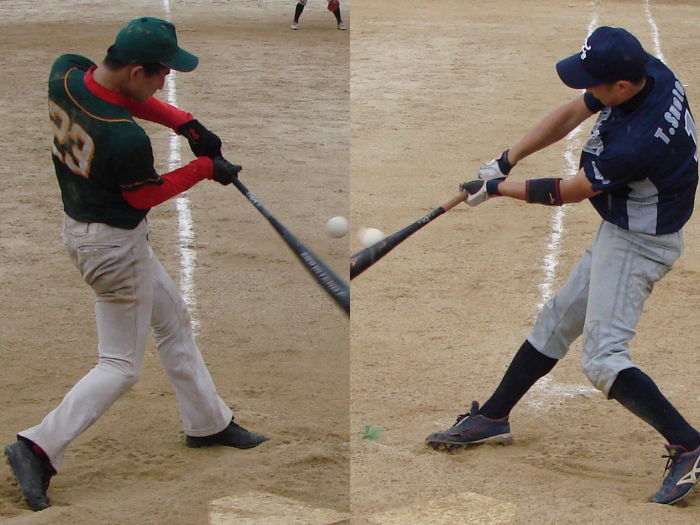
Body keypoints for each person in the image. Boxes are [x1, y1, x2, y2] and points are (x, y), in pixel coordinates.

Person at [425, 26, 699, 505]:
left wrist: (495, 189)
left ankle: (690, 445)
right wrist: (505, 160)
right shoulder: (648, 71)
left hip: (640, 241)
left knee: (603, 357)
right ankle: (493, 416)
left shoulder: (636, 143)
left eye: (594, 81)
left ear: (620, 86)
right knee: (557, 319)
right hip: (624, 228)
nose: (586, 87)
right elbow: (574, 111)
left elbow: (568, 191)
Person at [4, 16, 269, 512]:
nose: (164, 82)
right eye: (161, 72)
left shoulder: (66, 73)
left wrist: (184, 122)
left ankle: (207, 423)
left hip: (88, 229)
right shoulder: (124, 140)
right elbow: (144, 195)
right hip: (112, 249)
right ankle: (37, 445)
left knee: (173, 319)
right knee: (120, 365)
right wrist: (204, 168)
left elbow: (118, 95)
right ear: (135, 70)